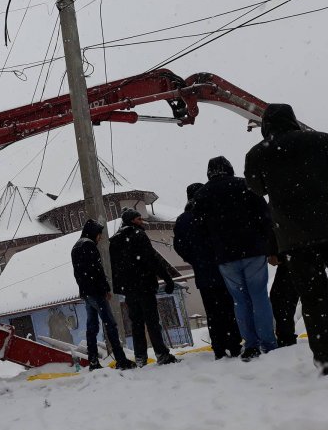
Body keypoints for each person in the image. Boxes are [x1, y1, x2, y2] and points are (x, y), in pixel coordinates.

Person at [245, 103, 328, 374]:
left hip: (294, 238)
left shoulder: (258, 154)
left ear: (266, 125)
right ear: (293, 120)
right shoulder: (322, 140)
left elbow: (257, 188)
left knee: (314, 300)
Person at [193, 156, 277, 361]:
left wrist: (214, 251)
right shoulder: (246, 186)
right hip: (253, 251)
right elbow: (266, 217)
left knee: (239, 301)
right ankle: (268, 342)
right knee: (259, 297)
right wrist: (270, 246)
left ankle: (251, 344)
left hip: (225, 257)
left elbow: (199, 230)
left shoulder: (202, 195)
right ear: (229, 169)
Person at [174, 183, 242, 359]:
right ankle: (234, 344)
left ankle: (218, 348)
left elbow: (179, 246)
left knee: (212, 312)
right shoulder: (213, 213)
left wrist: (195, 259)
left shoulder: (183, 220)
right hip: (223, 269)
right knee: (229, 309)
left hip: (203, 273)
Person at [109, 208, 178, 367]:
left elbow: (114, 267)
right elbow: (152, 259)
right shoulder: (138, 236)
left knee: (136, 323)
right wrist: (167, 278)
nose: (142, 222)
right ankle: (161, 353)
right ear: (132, 220)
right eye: (139, 219)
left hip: (129, 289)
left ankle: (140, 357)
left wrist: (121, 286)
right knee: (152, 321)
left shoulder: (115, 240)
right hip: (144, 285)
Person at [71, 219, 137, 371]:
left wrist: (84, 290)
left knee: (92, 327)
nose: (99, 238)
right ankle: (121, 360)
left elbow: (78, 273)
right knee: (110, 325)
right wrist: (105, 289)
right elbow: (97, 269)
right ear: (95, 233)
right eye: (99, 234)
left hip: (86, 293)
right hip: (96, 292)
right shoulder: (89, 245)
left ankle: (93, 362)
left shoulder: (76, 247)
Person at [268, 252, 328, 347]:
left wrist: (278, 254)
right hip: (300, 250)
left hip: (298, 249)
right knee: (317, 288)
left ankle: (286, 339)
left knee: (313, 290)